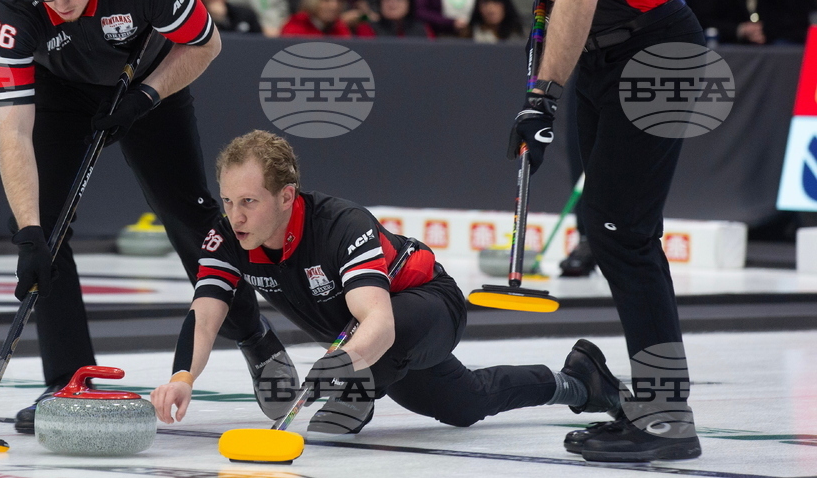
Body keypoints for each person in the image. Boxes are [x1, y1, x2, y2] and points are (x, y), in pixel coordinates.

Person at [403, 0, 703, 462]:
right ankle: (642, 396)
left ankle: (668, 418)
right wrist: (545, 69)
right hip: (611, 52)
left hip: (652, 48)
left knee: (622, 229)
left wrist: (544, 94)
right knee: (609, 231)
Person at [0, 0, 296, 434]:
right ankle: (68, 383)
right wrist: (30, 236)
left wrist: (146, 96)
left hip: (149, 82)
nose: (59, 3)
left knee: (186, 215)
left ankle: (254, 336)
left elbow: (206, 43)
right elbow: (13, 130)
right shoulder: (12, 5)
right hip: (58, 90)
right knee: (42, 229)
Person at [150, 130, 624, 436]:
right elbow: (206, 314)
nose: (235, 216)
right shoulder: (229, 235)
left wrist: (344, 366)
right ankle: (575, 381)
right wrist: (182, 376)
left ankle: (358, 394)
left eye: (248, 201)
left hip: (426, 306)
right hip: (368, 348)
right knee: (464, 405)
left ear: (286, 196)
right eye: (228, 200)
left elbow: (379, 320)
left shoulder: (340, 225)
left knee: (383, 336)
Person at [281, 0, 372, 37]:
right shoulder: (296, 24)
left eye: (338, 0)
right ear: (313, 0)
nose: (334, 6)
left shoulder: (339, 26)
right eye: (326, 0)